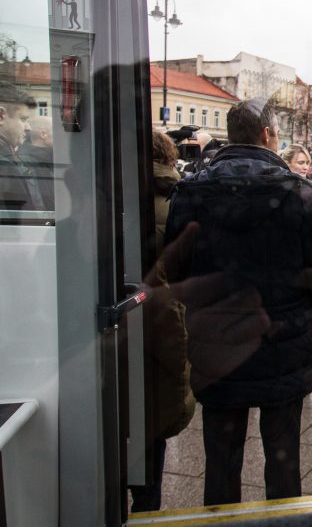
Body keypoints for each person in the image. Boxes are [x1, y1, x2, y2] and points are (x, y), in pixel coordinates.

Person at [165, 98, 312, 505]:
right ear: (267, 135)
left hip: (218, 340)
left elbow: (175, 265)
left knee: (221, 458)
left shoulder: (193, 190)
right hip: (282, 338)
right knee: (283, 458)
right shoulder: (300, 193)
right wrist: (296, 312)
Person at [127, 131, 195, 511]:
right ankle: (146, 508)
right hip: (157, 331)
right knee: (152, 429)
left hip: (123, 330)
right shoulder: (175, 206)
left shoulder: (107, 198)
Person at [0, 81, 43, 211]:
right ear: (1, 116)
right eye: (23, 119)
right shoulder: (4, 165)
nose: (28, 128)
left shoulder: (10, 158)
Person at [15, 114, 55, 210]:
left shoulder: (45, 160)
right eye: (56, 132)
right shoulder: (27, 163)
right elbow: (40, 203)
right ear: (43, 134)